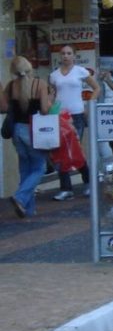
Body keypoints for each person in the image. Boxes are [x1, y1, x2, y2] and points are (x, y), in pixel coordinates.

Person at [2, 57, 52, 217]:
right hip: (34, 130)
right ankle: (20, 197)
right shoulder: (40, 84)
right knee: (40, 167)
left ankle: (28, 210)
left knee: (25, 168)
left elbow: (3, 108)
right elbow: (44, 110)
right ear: (29, 68)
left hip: (16, 130)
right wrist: (51, 100)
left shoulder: (10, 87)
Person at [49, 45, 100, 200]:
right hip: (60, 116)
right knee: (60, 151)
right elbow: (52, 94)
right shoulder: (54, 75)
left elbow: (96, 88)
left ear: (74, 56)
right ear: (60, 56)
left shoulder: (81, 71)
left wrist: (89, 104)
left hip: (76, 114)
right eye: (63, 53)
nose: (66, 56)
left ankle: (89, 182)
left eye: (69, 53)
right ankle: (66, 188)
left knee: (74, 149)